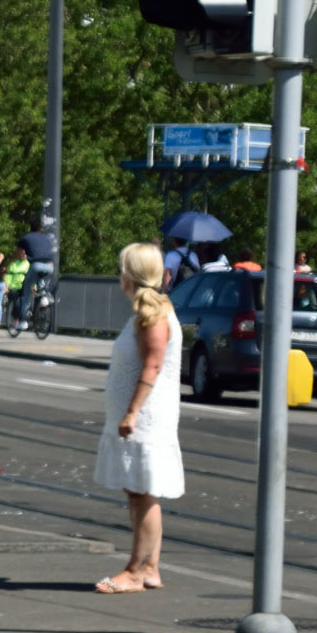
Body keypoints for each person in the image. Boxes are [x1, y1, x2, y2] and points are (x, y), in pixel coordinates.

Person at [93, 242, 183, 594]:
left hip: (146, 417)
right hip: (140, 415)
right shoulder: (148, 310)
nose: (119, 274)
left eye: (122, 267)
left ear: (131, 274)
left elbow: (153, 364)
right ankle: (150, 569)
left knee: (143, 494)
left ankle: (135, 570)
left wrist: (132, 411)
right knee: (141, 492)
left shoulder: (153, 313)